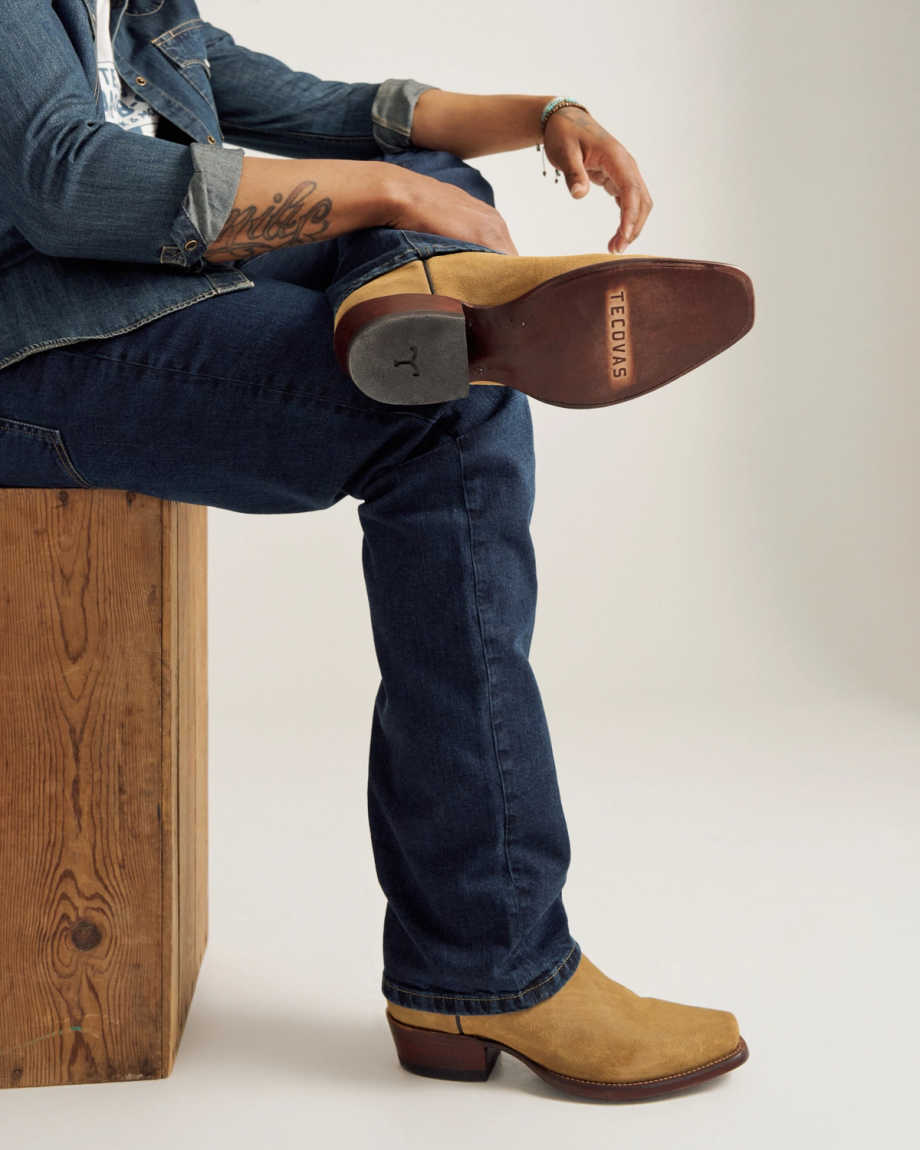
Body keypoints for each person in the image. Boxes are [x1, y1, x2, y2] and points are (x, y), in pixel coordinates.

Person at [0, 0, 752, 1101]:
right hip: (37, 345)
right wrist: (398, 196)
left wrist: (543, 114)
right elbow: (64, 182)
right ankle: (488, 966)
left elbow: (313, 106)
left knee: (431, 183)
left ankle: (410, 290)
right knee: (444, 407)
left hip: (134, 290)